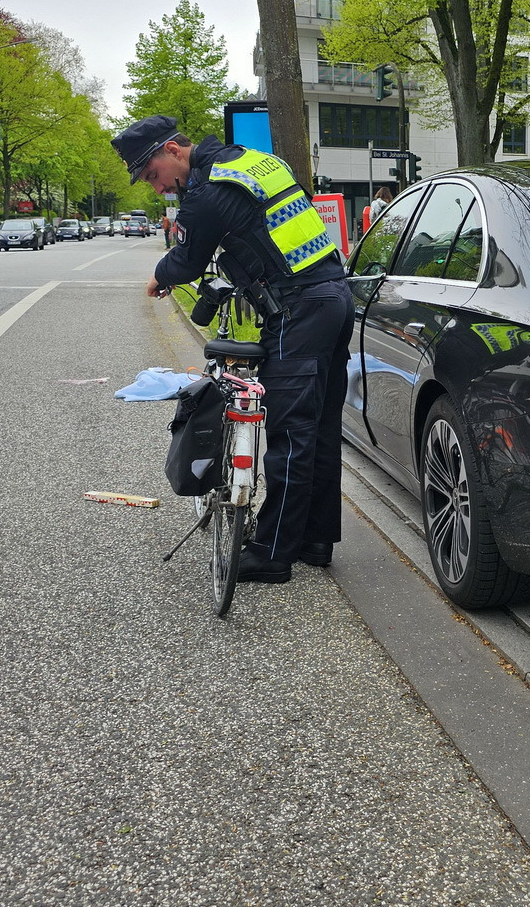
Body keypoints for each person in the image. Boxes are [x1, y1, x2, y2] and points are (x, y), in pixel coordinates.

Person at [113, 115, 354, 584]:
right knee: (319, 430)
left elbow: (187, 259)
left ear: (172, 151)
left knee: (290, 434)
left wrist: (158, 277)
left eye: (151, 173)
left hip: (298, 309)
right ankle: (313, 539)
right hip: (333, 298)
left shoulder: (208, 192)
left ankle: (272, 552)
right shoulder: (251, 162)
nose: (154, 185)